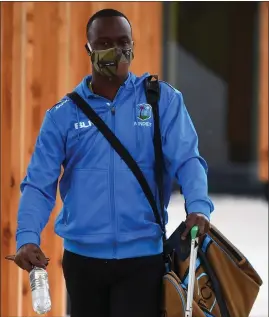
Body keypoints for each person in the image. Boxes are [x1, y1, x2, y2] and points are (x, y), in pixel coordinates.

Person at [14, 8, 214, 317]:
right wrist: (28, 237)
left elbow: (188, 160)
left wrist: (198, 206)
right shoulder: (63, 115)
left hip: (143, 258)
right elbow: (39, 184)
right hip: (83, 262)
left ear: (133, 44)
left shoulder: (161, 101)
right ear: (89, 49)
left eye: (123, 42)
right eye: (105, 42)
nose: (117, 51)